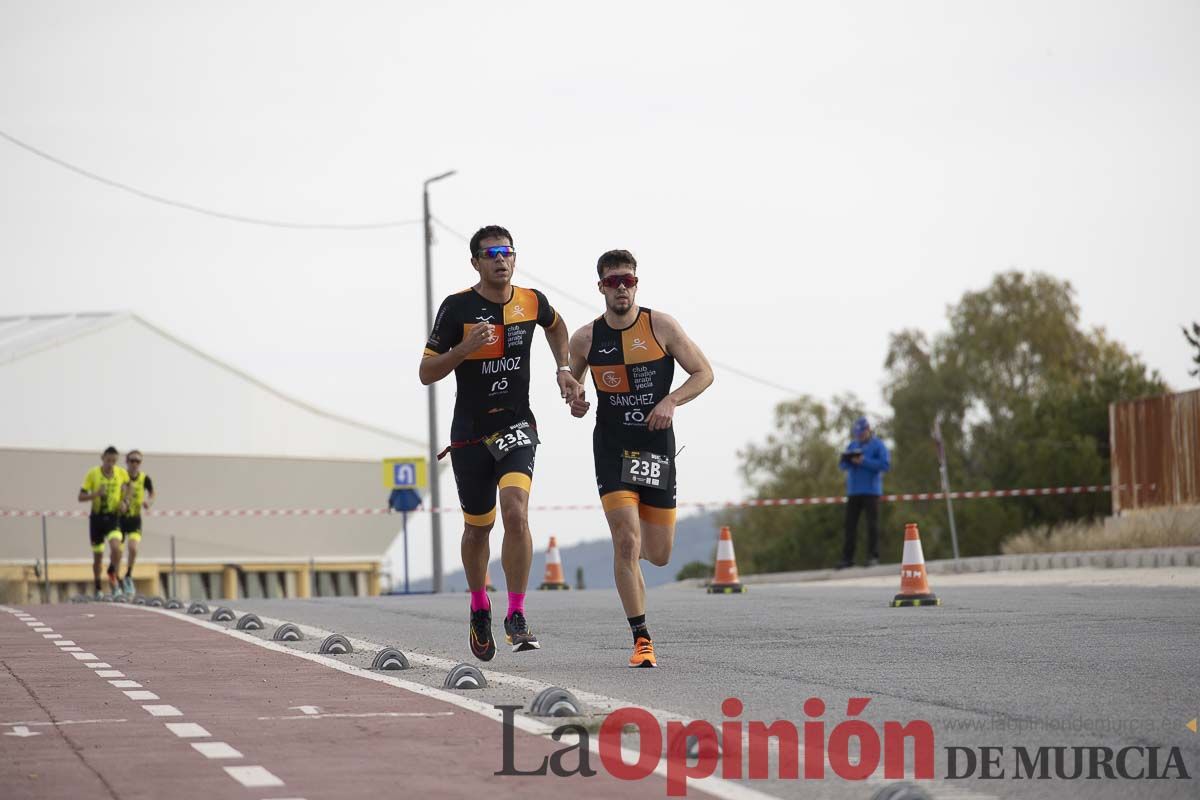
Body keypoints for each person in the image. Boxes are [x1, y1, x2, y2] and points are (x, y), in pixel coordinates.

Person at [420, 225, 581, 661]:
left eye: (506, 252)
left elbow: (556, 324)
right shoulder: (457, 307)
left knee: (515, 510)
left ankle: (516, 613)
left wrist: (563, 369)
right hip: (470, 433)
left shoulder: (531, 300)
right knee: (478, 527)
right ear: (476, 262)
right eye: (490, 253)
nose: (500, 259)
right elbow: (426, 371)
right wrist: (463, 350)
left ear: (514, 258)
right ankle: (478, 606)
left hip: (516, 425)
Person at [566, 249, 713, 667]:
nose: (621, 288)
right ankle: (641, 638)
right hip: (612, 448)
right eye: (612, 281)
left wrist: (671, 400)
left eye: (627, 280)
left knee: (659, 553)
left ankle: (631, 564)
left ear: (636, 284)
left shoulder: (661, 325)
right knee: (625, 540)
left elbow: (704, 372)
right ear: (601, 288)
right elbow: (573, 387)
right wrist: (575, 402)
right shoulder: (586, 338)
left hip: (654, 448)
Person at [837, 416, 891, 568]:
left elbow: (885, 465)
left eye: (861, 432)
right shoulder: (853, 444)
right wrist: (849, 460)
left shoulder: (878, 445)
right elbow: (842, 466)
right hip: (853, 491)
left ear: (868, 430)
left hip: (871, 491)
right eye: (857, 433)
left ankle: (873, 557)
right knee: (849, 526)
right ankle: (847, 559)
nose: (859, 436)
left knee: (872, 525)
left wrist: (864, 461)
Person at [78, 446, 130, 598]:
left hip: (113, 517)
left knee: (117, 548)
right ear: (102, 458)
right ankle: (98, 586)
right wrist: (96, 494)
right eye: (108, 460)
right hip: (97, 519)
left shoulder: (121, 473)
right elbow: (80, 497)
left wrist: (125, 501)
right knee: (98, 557)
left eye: (114, 461)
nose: (111, 464)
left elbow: (128, 486)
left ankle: (112, 572)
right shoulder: (93, 474)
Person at [119, 449, 155, 595]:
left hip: (134, 520)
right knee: (117, 551)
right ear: (127, 462)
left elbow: (152, 493)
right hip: (120, 519)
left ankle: (128, 575)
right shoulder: (120, 476)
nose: (134, 464)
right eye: (132, 460)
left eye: (137, 461)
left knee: (133, 548)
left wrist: (149, 502)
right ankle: (115, 578)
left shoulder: (144, 478)